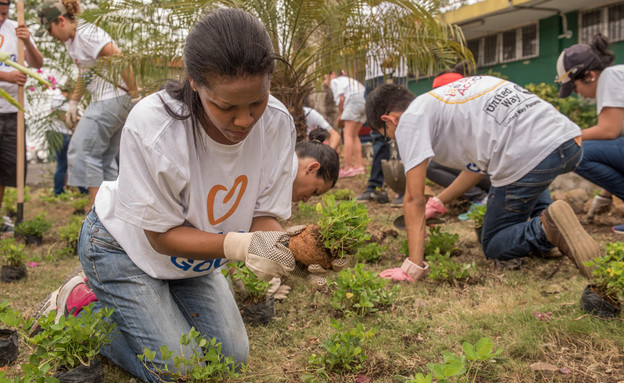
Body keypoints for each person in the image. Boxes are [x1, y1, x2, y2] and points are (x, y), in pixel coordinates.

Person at [31, 8, 337, 382]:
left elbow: (261, 213)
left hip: (195, 259)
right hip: (123, 248)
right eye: (225, 106)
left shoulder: (275, 123)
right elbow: (160, 237)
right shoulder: (154, 127)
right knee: (182, 371)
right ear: (194, 82)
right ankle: (79, 305)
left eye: (255, 102)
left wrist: (284, 247)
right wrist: (243, 246)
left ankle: (153, 310)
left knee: (231, 359)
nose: (244, 120)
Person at [365, 77, 600, 282]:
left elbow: (413, 198)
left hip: (526, 154)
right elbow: (477, 168)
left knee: (494, 243)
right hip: (568, 141)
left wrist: (412, 268)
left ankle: (546, 229)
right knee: (530, 184)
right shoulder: (445, 101)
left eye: (387, 136)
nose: (393, 141)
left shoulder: (409, 119)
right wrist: (438, 202)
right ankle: (551, 230)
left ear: (389, 120)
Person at [36, 0, 140, 208]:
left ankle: (98, 212)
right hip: (106, 100)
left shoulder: (86, 33)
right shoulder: (72, 41)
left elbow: (121, 59)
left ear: (61, 21)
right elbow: (86, 73)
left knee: (81, 150)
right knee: (105, 158)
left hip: (112, 99)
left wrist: (135, 97)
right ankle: (115, 212)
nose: (50, 35)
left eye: (49, 29)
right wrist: (73, 102)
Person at [555, 33, 624, 234]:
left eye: (574, 87)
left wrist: (562, 137)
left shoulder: (610, 78)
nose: (577, 94)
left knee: (574, 151)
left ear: (589, 75)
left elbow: (608, 131)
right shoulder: (618, 76)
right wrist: (605, 194)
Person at [358, 1, 408, 206]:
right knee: (377, 133)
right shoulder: (374, 11)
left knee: (402, 130)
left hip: (389, 75)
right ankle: (376, 187)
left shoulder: (394, 6)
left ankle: (407, 188)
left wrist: (392, 75)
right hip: (373, 77)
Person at [427, 63, 492, 219]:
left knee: (432, 166)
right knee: (433, 163)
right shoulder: (469, 109)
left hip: (497, 175)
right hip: (493, 174)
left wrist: (437, 201)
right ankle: (482, 197)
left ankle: (481, 199)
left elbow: (476, 163)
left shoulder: (469, 114)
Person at [0, 0, 43, 214]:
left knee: (7, 168)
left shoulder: (16, 29)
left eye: (4, 14)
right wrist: (6, 75)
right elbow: (8, 73)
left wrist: (27, 42)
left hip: (12, 111)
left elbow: (37, 64)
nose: (1, 18)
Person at [47, 82, 88, 196]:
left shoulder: (60, 99)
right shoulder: (59, 100)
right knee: (64, 164)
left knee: (69, 164)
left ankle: (80, 190)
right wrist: (83, 120)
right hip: (60, 134)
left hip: (63, 134)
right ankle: (59, 192)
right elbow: (64, 117)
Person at [325, 70, 366, 178]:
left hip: (354, 101)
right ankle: (359, 166)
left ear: (332, 74)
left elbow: (342, 99)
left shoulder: (335, 82)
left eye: (325, 78)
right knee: (354, 135)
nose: (325, 82)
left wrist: (341, 115)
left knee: (347, 134)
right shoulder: (348, 80)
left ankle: (348, 168)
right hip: (365, 102)